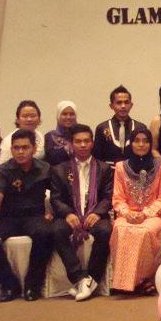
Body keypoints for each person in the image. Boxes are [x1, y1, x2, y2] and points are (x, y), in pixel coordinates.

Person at [0, 129, 54, 301]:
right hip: (8, 216)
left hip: (34, 216)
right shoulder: (2, 170)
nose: (20, 152)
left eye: (25, 147)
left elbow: (57, 194)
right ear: (11, 149)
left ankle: (32, 286)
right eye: (16, 148)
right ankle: (9, 286)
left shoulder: (45, 168)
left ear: (34, 149)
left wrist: (51, 212)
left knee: (46, 234)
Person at [50, 124, 113, 301]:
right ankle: (79, 277)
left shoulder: (104, 168)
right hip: (70, 215)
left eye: (86, 141)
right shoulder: (59, 169)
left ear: (92, 143)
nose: (83, 145)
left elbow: (108, 196)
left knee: (105, 231)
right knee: (57, 230)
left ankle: (91, 278)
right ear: (71, 144)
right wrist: (68, 213)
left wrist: (98, 213)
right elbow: (55, 198)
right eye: (78, 141)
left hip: (95, 214)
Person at [110, 129, 161, 293]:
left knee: (144, 232)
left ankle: (142, 280)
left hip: (154, 215)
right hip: (127, 213)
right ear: (131, 143)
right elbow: (118, 198)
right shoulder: (121, 167)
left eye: (145, 141)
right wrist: (127, 213)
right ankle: (123, 281)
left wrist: (145, 213)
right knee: (120, 228)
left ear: (150, 144)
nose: (141, 144)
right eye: (137, 140)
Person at [93, 85, 147, 166]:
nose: (123, 106)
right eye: (119, 103)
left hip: (133, 171)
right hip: (109, 172)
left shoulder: (140, 127)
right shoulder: (102, 128)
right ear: (111, 106)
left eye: (126, 102)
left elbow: (145, 154)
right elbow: (97, 157)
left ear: (131, 105)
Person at [44, 100, 78, 166]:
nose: (68, 117)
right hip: (56, 172)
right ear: (58, 116)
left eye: (72, 114)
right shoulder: (50, 137)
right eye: (64, 114)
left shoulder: (81, 136)